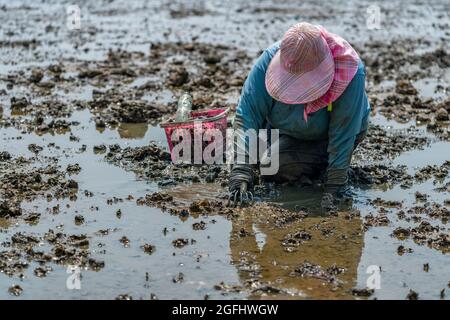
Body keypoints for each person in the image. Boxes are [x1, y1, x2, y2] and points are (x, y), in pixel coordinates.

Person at [228, 22, 370, 209]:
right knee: (246, 157)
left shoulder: (350, 72)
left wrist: (335, 184)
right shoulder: (271, 59)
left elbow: (343, 132)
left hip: (326, 135)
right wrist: (241, 169)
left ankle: (321, 164)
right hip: (280, 126)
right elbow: (248, 114)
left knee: (273, 166)